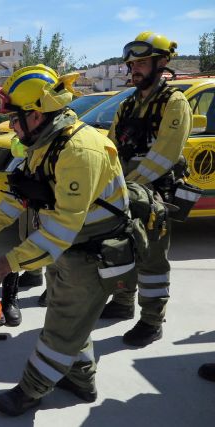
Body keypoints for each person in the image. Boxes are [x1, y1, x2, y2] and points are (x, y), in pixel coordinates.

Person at [0, 65, 131, 416]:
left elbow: (61, 228)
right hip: (71, 250)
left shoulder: (80, 152)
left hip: (93, 254)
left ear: (37, 115)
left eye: (16, 118)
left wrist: (9, 262)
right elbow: (17, 194)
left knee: (61, 326)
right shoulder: (42, 142)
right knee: (71, 319)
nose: (11, 126)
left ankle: (31, 390)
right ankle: (82, 381)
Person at [100, 31, 193, 347]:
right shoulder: (127, 105)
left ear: (162, 62)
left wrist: (128, 189)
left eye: (141, 62)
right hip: (124, 192)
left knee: (152, 260)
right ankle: (123, 304)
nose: (134, 68)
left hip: (154, 195)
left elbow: (165, 154)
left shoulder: (174, 103)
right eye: (131, 63)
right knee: (122, 252)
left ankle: (152, 321)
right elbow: (111, 149)